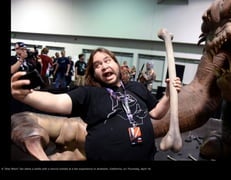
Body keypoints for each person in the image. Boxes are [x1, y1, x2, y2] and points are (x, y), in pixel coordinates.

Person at [11, 47, 182, 161]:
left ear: (116, 64)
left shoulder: (136, 87)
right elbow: (57, 100)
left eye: (107, 61)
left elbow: (156, 113)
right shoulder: (89, 93)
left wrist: (168, 94)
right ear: (94, 73)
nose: (104, 66)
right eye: (97, 65)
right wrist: (27, 96)